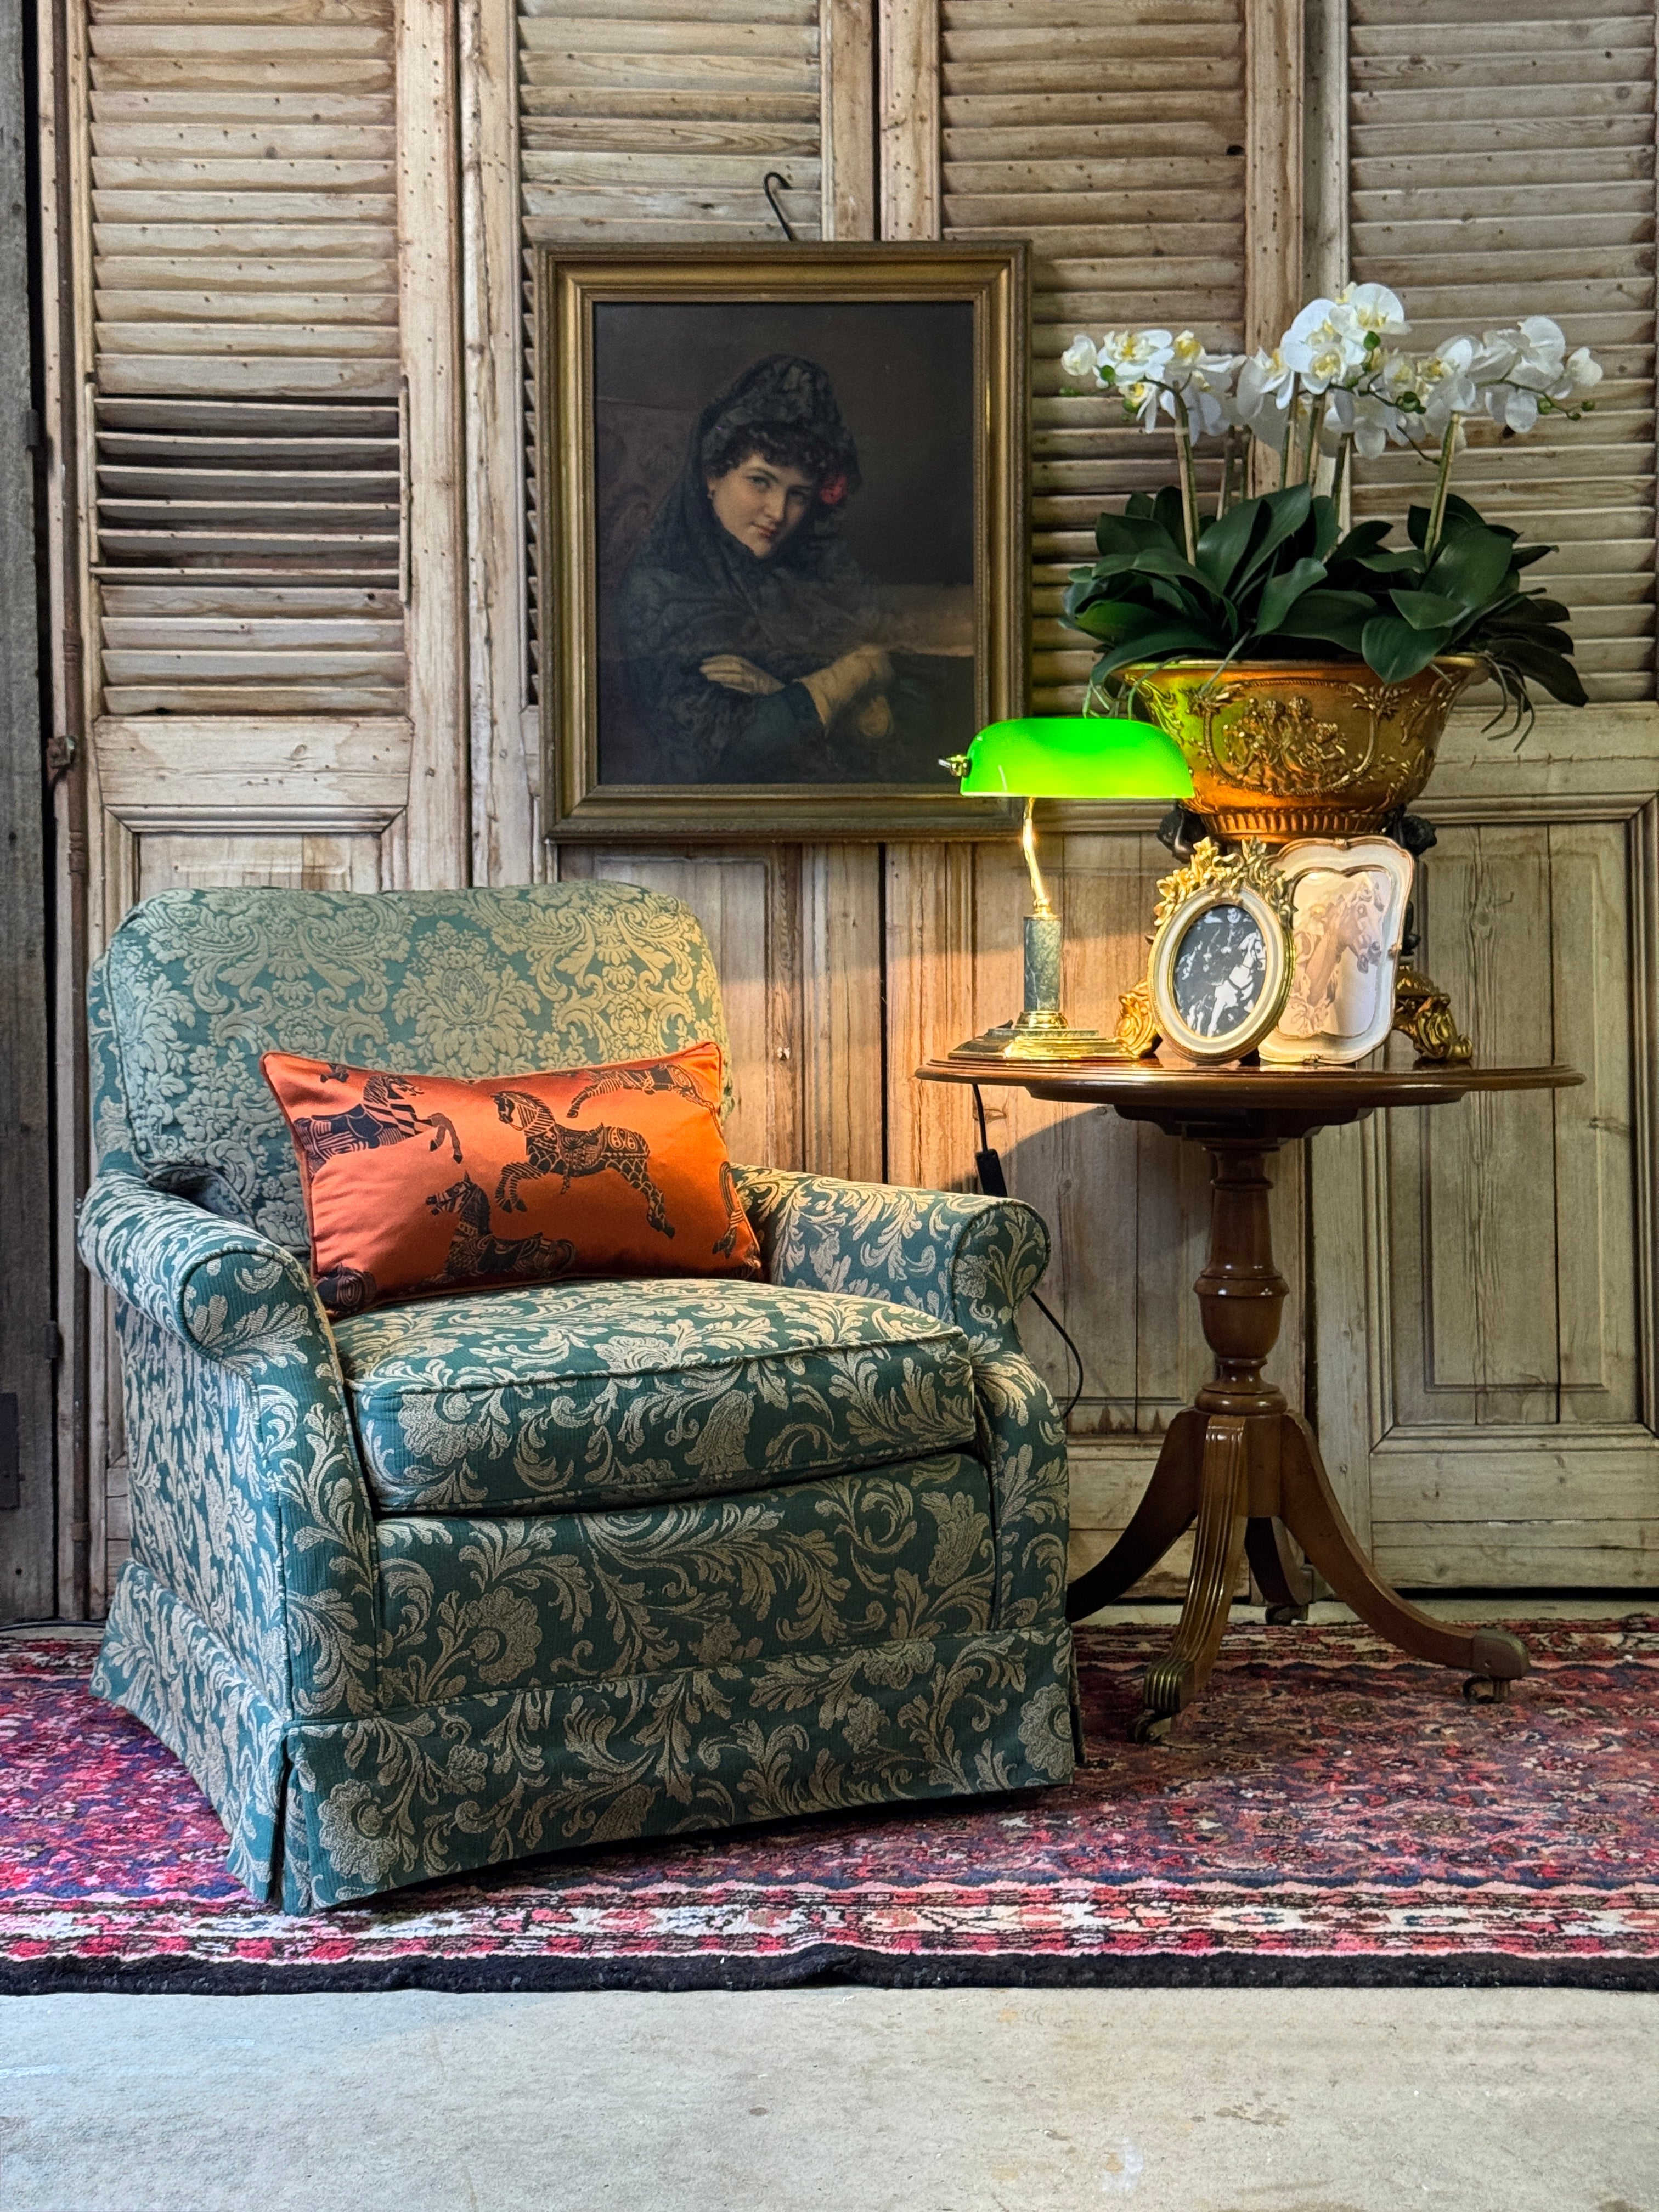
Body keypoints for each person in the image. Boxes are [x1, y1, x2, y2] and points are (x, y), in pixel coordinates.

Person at [614, 354, 905, 784]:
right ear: (712, 475)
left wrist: (778, 694)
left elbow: (910, 713)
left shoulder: (814, 578)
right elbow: (736, 746)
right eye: (760, 481)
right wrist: (859, 672)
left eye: (799, 495)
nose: (778, 512)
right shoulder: (661, 590)